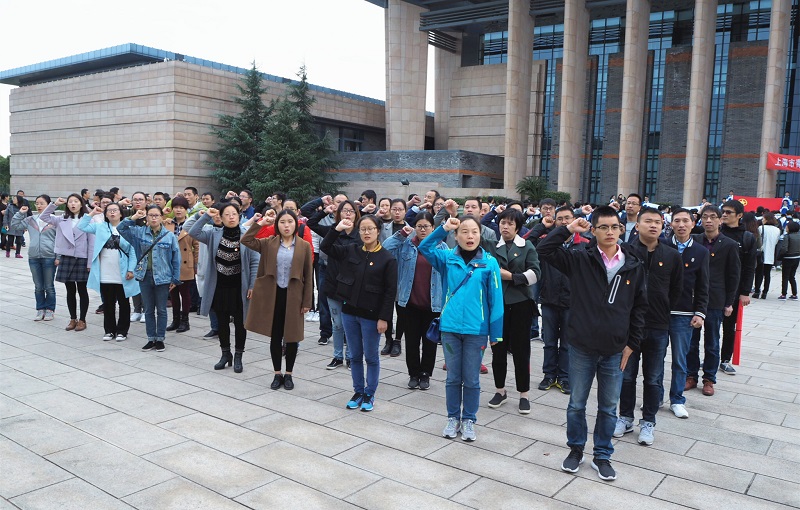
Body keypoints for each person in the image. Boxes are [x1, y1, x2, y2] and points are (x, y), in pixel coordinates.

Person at [537, 206, 647, 481]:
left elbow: (639, 307)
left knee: (608, 407)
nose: (610, 232)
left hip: (615, 349)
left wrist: (632, 343)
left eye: (614, 227)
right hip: (581, 347)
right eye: (603, 227)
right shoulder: (580, 259)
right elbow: (544, 250)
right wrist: (567, 229)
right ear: (593, 230)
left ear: (621, 229)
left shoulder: (633, 264)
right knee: (576, 403)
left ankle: (602, 454)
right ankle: (576, 450)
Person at [418, 216, 504, 442]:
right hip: (450, 329)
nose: (469, 236)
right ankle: (453, 417)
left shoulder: (489, 263)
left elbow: (496, 300)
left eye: (474, 231)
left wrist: (496, 333)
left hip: (477, 331)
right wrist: (443, 228)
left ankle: (469, 420)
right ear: (456, 236)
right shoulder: (447, 258)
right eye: (464, 232)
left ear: (480, 235)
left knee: (472, 378)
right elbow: (424, 247)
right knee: (453, 378)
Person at [615, 208, 683, 446]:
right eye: (648, 221)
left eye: (658, 222)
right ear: (637, 225)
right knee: (626, 376)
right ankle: (625, 417)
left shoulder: (672, 255)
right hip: (628, 325)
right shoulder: (625, 252)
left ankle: (648, 422)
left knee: (653, 378)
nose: (653, 225)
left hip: (657, 325)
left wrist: (663, 309)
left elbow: (676, 289)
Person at [321, 214, 397, 412]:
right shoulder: (351, 250)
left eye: (370, 229)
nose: (366, 232)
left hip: (372, 316)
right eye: (363, 229)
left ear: (378, 231)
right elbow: (326, 247)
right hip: (349, 312)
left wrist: (384, 318)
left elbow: (390, 292)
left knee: (371, 357)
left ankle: (370, 393)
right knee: (354, 356)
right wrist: (336, 229)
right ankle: (358, 391)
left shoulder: (387, 259)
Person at [242, 209, 313, 387]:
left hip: (294, 296)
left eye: (290, 222)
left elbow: (308, 275)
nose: (286, 225)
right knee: (275, 335)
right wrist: (261, 223)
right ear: (277, 225)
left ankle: (289, 374)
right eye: (282, 222)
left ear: (296, 224)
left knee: (292, 336)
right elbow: (246, 240)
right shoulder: (269, 243)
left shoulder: (303, 246)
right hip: (273, 295)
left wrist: (307, 301)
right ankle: (277, 373)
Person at [480, 208, 541, 414]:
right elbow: (473, 230)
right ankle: (500, 390)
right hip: (497, 305)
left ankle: (524, 393)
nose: (505, 227)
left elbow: (536, 273)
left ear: (517, 227)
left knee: (521, 351)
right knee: (498, 348)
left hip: (521, 304)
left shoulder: (526, 246)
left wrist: (512, 277)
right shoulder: (490, 244)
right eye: (502, 223)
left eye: (510, 224)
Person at [528, 206, 590, 395]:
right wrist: (541, 226)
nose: (564, 222)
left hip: (572, 303)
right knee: (549, 341)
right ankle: (548, 375)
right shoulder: (547, 243)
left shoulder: (585, 244)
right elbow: (526, 243)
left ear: (575, 219)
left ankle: (564, 377)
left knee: (567, 344)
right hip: (549, 299)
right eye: (560, 219)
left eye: (568, 218)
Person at [189, 204, 259, 371]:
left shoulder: (247, 235)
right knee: (222, 323)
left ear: (239, 216)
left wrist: (252, 285)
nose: (231, 217)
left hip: (239, 287)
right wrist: (206, 215)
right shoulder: (213, 233)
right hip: (219, 287)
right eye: (227, 214)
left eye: (234, 213)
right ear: (221, 217)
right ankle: (225, 354)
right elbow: (193, 232)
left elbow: (255, 262)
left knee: (241, 324)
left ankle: (239, 356)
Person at [383, 211, 447, 390]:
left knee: (430, 342)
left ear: (433, 228)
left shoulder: (442, 248)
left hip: (433, 303)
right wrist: (401, 234)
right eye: (419, 226)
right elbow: (386, 248)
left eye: (426, 226)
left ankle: (425, 374)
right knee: (411, 341)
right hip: (409, 302)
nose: (423, 230)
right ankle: (413, 373)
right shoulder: (406, 245)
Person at [687, 206, 740, 396]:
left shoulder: (730, 244)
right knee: (691, 341)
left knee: (712, 342)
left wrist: (729, 302)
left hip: (716, 299)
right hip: (693, 298)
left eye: (713, 217)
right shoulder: (693, 240)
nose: (708, 220)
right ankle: (691, 375)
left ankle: (709, 379)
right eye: (705, 217)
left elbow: (733, 275)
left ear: (720, 220)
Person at [305, 197, 361, 369]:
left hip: (353, 287)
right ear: (338, 213)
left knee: (351, 325)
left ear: (356, 214)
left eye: (351, 211)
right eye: (344, 211)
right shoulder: (333, 230)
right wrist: (324, 211)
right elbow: (311, 222)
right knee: (337, 324)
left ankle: (350, 357)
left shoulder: (361, 233)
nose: (348, 214)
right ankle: (337, 356)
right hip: (333, 284)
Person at [118, 205, 182, 352]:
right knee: (148, 310)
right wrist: (133, 217)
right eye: (151, 215)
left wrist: (175, 278)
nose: (153, 218)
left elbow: (176, 259)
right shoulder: (139, 233)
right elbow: (121, 229)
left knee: (161, 310)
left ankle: (160, 339)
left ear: (161, 217)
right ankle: (150, 338)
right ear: (146, 217)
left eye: (156, 215)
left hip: (163, 277)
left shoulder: (169, 236)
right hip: (144, 276)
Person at [666, 208, 709, 419]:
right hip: (659, 312)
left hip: (684, 313)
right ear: (671, 224)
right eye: (677, 221)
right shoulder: (662, 245)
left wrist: (700, 312)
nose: (681, 225)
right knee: (654, 359)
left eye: (685, 221)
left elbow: (703, 285)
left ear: (693, 223)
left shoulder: (701, 251)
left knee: (680, 360)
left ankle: (677, 400)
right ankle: (654, 397)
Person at [79, 202, 139, 341]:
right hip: (105, 271)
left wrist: (131, 269)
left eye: (115, 210)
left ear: (121, 213)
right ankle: (109, 330)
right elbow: (81, 226)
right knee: (108, 303)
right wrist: (92, 213)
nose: (112, 212)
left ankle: (122, 331)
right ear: (105, 214)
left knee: (124, 303)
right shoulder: (100, 227)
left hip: (122, 271)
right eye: (109, 210)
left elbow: (132, 251)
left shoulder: (128, 229)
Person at [40, 195, 95, 332]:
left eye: (76, 201)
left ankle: (82, 320)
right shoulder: (61, 219)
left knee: (82, 290)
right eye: (70, 202)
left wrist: (90, 263)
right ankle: (72, 318)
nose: (73, 204)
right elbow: (44, 217)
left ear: (81, 204)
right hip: (67, 257)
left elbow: (92, 243)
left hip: (82, 258)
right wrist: (54, 204)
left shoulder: (88, 219)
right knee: (70, 291)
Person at [719, 200, 757, 375]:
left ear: (740, 216)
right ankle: (711, 357)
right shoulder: (716, 232)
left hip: (734, 289)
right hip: (713, 287)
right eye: (723, 211)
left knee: (729, 327)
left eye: (729, 212)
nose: (724, 215)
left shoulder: (747, 238)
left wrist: (745, 292)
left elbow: (750, 267)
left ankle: (725, 359)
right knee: (710, 326)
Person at [11, 195, 58, 320]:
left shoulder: (55, 220)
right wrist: (20, 213)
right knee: (38, 286)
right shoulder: (31, 219)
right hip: (34, 257)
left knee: (49, 286)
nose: (39, 206)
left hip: (49, 256)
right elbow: (15, 225)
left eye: (42, 203)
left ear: (49, 204)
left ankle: (50, 309)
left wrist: (58, 257)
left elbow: (60, 240)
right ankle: (40, 309)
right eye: (37, 203)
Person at [163, 196, 198, 333]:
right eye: (176, 207)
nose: (178, 210)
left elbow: (197, 246)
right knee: (173, 293)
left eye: (181, 208)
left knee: (185, 294)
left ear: (186, 209)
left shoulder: (191, 224)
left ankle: (185, 321)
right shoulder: (167, 223)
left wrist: (196, 264)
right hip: (170, 263)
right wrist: (163, 214)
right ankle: (175, 320)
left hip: (185, 263)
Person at [379, 198, 409, 357]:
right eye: (394, 209)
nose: (397, 212)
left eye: (400, 209)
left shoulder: (411, 230)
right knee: (387, 308)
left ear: (405, 211)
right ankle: (388, 340)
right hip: (386, 272)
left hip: (404, 273)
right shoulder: (383, 228)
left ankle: (397, 341)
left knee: (402, 310)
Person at [753, 211, 782, 299]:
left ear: (766, 219)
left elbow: (758, 241)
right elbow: (776, 242)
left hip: (761, 254)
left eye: (763, 218)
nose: (762, 220)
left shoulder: (761, 228)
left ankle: (757, 291)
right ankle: (765, 292)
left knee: (759, 274)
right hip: (771, 254)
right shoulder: (777, 230)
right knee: (767, 274)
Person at [777, 221, 800, 299]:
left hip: (788, 258)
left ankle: (783, 294)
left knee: (785, 277)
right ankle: (794, 294)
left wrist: (779, 256)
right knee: (792, 276)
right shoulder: (799, 236)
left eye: (787, 227)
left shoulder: (787, 236)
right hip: (796, 258)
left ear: (790, 228)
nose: (786, 228)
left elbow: (784, 249)